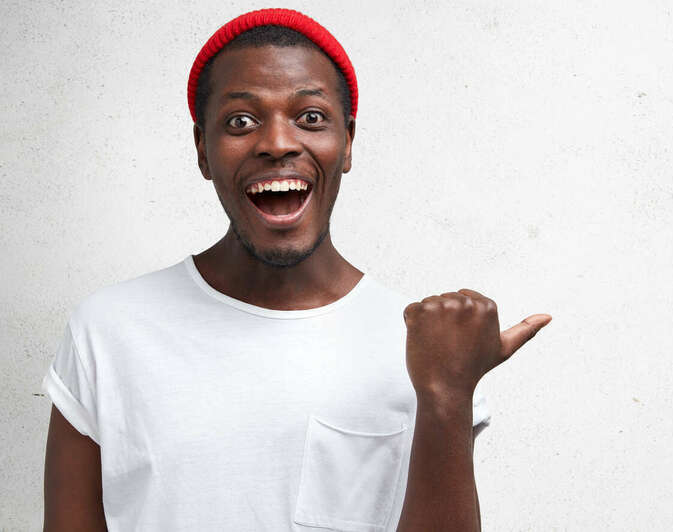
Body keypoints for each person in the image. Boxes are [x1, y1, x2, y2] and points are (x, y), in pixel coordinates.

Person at [41, 8, 551, 531]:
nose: (278, 143)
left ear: (347, 142)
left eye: (310, 117)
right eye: (241, 121)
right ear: (202, 151)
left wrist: (447, 394)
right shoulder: (109, 330)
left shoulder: (429, 348)